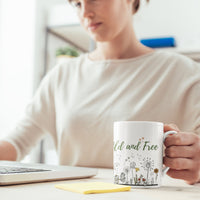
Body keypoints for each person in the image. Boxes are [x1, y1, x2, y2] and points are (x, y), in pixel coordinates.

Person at [0, 0, 200, 185]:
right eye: (77, 3)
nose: (85, 12)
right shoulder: (61, 76)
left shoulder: (186, 74)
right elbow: (17, 141)